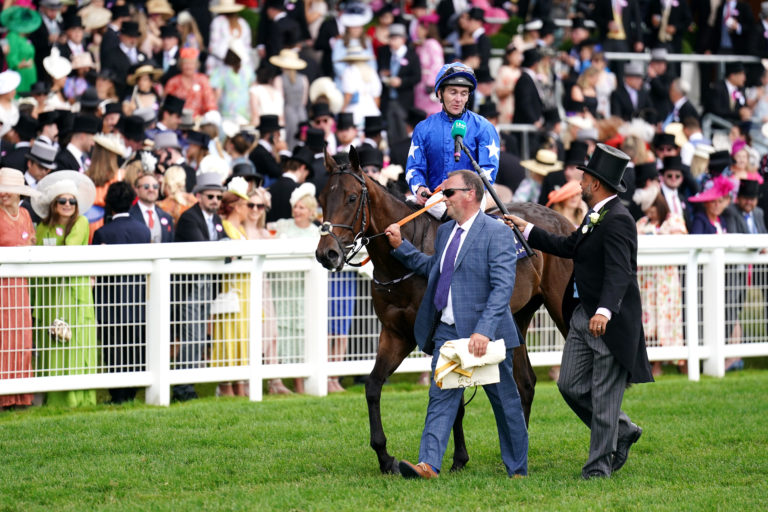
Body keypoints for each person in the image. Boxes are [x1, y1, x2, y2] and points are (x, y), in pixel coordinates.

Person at [506, 144, 653, 479]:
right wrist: (525, 229)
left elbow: (620, 272)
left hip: (607, 321)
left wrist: (603, 311)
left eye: (584, 177)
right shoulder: (595, 215)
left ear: (597, 184)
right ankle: (623, 429)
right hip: (581, 315)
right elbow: (569, 247)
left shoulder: (618, 220)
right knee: (569, 386)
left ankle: (598, 467)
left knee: (603, 396)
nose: (579, 181)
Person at [384, 169, 528, 479]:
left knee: (505, 403)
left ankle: (517, 469)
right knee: (441, 396)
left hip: (487, 336)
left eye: (447, 192)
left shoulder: (498, 232)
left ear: (470, 194)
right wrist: (400, 247)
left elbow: (503, 287)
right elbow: (434, 269)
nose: (441, 198)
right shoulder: (447, 232)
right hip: (448, 331)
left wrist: (484, 331)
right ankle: (429, 465)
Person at [31, 171, 99, 407]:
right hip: (50, 292)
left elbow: (69, 248)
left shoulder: (81, 222)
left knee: (75, 341)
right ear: (53, 203)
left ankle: (75, 397)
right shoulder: (42, 227)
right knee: (52, 340)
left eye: (72, 201)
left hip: (74, 293)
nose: (68, 205)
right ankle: (53, 397)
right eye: (63, 200)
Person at [406, 63, 500, 213]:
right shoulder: (423, 128)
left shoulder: (484, 127)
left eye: (464, 93)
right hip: (434, 199)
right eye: (453, 92)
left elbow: (488, 170)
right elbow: (415, 168)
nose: (459, 99)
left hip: (470, 199)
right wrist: (419, 188)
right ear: (439, 93)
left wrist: (459, 190)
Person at [92, 181, 151, 404]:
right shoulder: (143, 231)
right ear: (132, 202)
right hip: (136, 300)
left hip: (110, 301)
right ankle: (131, 391)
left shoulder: (102, 233)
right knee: (135, 347)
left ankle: (118, 394)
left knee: (113, 348)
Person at [173, 172, 227, 401]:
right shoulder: (189, 218)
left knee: (197, 336)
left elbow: (223, 248)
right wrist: (225, 249)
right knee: (191, 336)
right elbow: (207, 249)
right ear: (198, 196)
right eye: (210, 196)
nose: (215, 200)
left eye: (218, 197)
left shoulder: (216, 220)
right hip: (190, 287)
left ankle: (187, 385)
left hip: (207, 286)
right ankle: (182, 387)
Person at [633, 185, 687, 377]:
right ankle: (651, 362)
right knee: (648, 318)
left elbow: (681, 243)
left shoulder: (674, 222)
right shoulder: (641, 223)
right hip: (646, 279)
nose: (650, 212)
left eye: (653, 208)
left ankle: (679, 361)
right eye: (647, 209)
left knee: (667, 317)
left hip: (666, 280)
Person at [273, 183, 322, 395]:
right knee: (283, 331)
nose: (297, 211)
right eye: (296, 207)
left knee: (303, 331)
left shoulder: (315, 232)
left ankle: (301, 383)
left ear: (311, 211)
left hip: (304, 290)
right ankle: (278, 380)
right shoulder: (283, 226)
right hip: (283, 287)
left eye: (302, 208)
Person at [0, 167, 40, 409]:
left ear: (18, 194)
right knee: (3, 337)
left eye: (8, 191)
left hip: (21, 285)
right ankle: (4, 395)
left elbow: (32, 240)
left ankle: (21, 394)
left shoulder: (25, 214)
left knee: (22, 336)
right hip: (1, 284)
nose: (4, 194)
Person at [211, 177, 252, 397]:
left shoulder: (241, 229)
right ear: (237, 206)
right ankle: (225, 385)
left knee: (241, 336)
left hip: (245, 289)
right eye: (246, 204)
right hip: (231, 289)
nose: (249, 209)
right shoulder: (226, 226)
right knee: (227, 334)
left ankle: (239, 383)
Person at [129, 172, 175, 244]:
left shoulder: (167, 217)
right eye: (146, 186)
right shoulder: (129, 216)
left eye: (155, 186)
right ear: (136, 190)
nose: (151, 189)